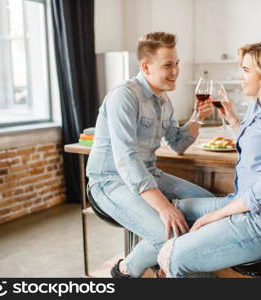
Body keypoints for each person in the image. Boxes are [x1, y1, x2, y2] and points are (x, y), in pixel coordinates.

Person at [157, 40, 261, 278]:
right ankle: (147, 263)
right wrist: (233, 121)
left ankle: (163, 261)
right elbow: (255, 150)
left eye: (246, 70)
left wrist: (218, 214)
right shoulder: (258, 108)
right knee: (174, 212)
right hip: (247, 206)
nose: (241, 76)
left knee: (174, 256)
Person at [86, 32, 214, 278]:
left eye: (176, 63)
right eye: (168, 65)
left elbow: (177, 143)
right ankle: (125, 270)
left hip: (149, 174)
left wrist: (198, 118)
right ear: (145, 66)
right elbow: (126, 159)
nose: (175, 70)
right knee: (168, 234)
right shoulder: (123, 97)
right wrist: (164, 207)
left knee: (207, 206)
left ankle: (164, 267)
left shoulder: (164, 101)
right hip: (109, 181)